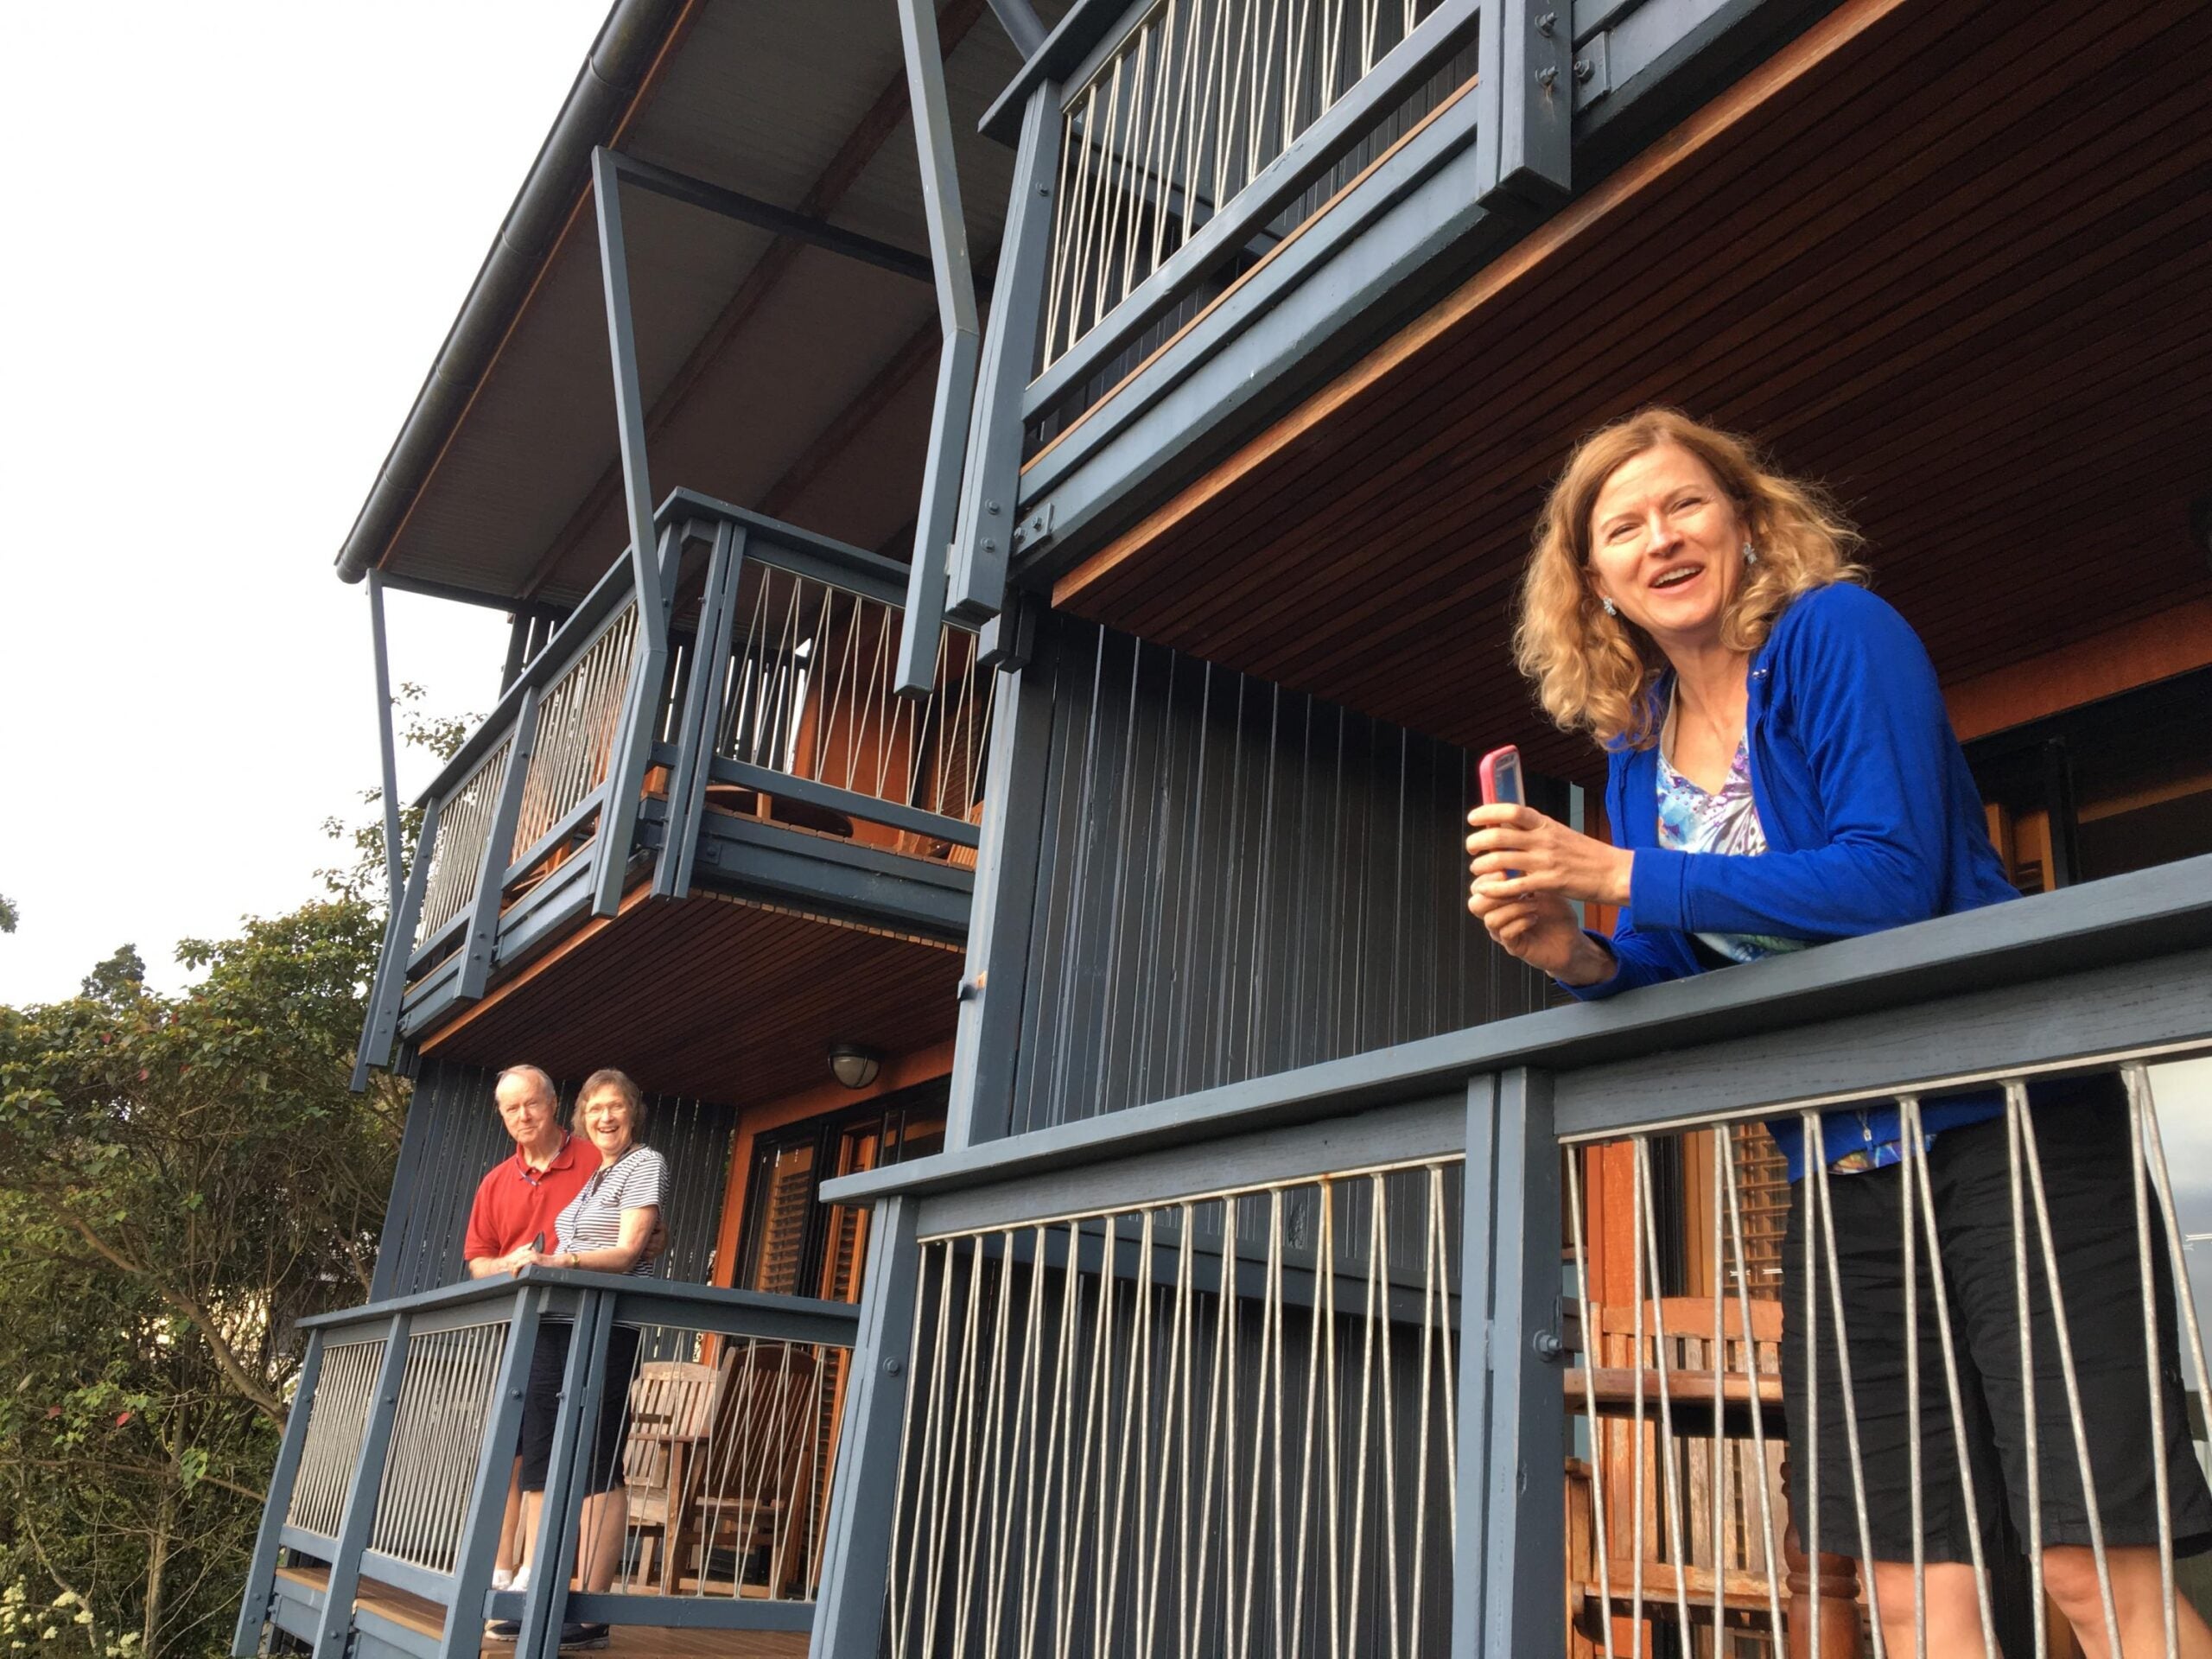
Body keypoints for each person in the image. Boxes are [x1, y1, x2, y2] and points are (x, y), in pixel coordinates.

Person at [1465, 407, 2212, 1657]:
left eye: (1686, 505)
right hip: (1839, 1167)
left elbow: (1885, 878)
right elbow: (1662, 956)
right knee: (1918, 1593)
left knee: (2091, 1572)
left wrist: (1618, 874)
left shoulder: (1836, 637)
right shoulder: (1637, 751)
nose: (1662, 539)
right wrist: (1574, 950)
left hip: (2006, 1127)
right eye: (1624, 527)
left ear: (1749, 525)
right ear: (1591, 581)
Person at [494, 1069, 667, 1652]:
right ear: (583, 1118)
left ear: (632, 1112)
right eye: (595, 1109)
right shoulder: (596, 1173)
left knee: (596, 1460)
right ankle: (536, 1593)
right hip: (556, 1323)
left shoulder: (645, 1164)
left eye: (616, 1107)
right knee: (541, 1455)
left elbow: (626, 1252)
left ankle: (590, 1609)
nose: (606, 1117)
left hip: (605, 1326)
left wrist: (563, 1264)